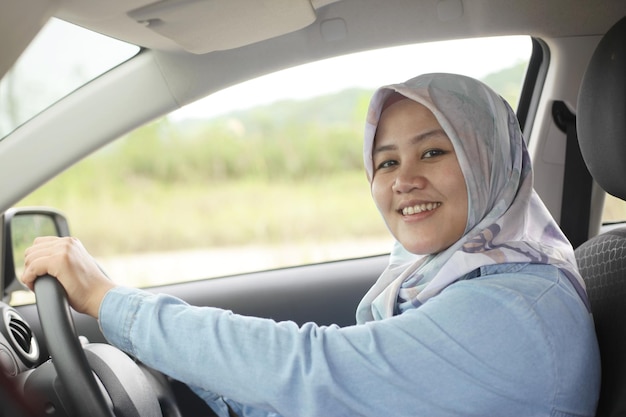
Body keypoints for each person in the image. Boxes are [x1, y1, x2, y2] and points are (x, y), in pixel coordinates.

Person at [21, 73, 600, 417]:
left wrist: (110, 301)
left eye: (433, 152)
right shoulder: (456, 280)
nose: (403, 180)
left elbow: (318, 372)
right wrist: (174, 363)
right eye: (385, 161)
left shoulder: (518, 308)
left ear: (490, 162)